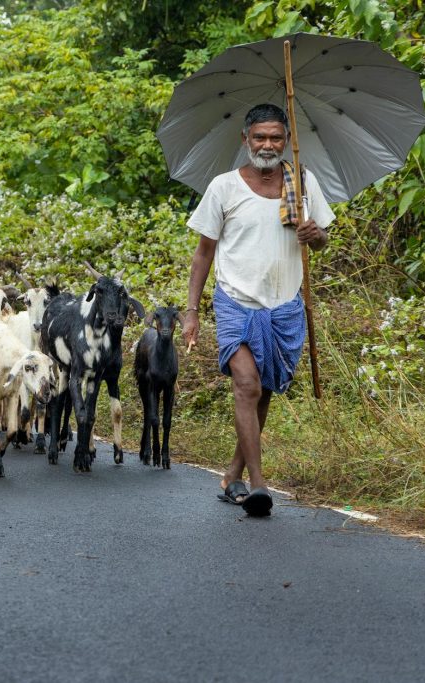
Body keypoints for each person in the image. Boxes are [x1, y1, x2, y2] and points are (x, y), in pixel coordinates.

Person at [181, 103, 334, 517]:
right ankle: (259, 485)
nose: (268, 145)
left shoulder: (300, 182)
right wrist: (191, 311)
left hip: (284, 305)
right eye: (260, 137)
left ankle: (233, 473)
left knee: (263, 389)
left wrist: (314, 234)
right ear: (245, 139)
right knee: (247, 384)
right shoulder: (224, 187)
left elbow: (322, 241)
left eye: (276, 138)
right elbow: (203, 254)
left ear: (287, 141)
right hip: (235, 302)